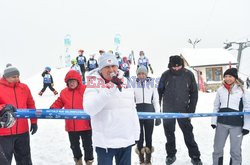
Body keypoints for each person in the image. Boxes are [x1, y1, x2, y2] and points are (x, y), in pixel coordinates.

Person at [83, 53, 140, 165]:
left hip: (125, 140)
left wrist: (136, 133)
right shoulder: (93, 83)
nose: (111, 70)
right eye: (107, 67)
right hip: (105, 143)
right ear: (100, 69)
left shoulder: (126, 82)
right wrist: (110, 88)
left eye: (113, 66)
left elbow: (132, 109)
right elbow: (89, 109)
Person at [158, 55, 202, 165]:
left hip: (184, 110)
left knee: (188, 133)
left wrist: (191, 109)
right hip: (168, 110)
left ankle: (195, 156)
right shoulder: (165, 75)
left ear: (182, 65)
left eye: (179, 66)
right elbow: (159, 92)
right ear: (170, 66)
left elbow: (194, 93)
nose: (177, 68)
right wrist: (158, 108)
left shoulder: (189, 75)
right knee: (169, 134)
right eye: (174, 67)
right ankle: (171, 155)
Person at [50, 70, 94, 165]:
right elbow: (59, 102)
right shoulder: (64, 92)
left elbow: (93, 100)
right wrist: (53, 108)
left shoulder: (85, 90)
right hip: (71, 126)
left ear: (78, 80)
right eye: (69, 81)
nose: (72, 83)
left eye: (73, 81)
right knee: (74, 146)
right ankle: (78, 161)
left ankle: (89, 161)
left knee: (87, 145)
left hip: (85, 124)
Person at [0, 65, 38, 165]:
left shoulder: (24, 88)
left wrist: (34, 122)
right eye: (14, 76)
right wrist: (4, 107)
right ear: (6, 76)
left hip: (22, 131)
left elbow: (30, 104)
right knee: (4, 161)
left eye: (18, 76)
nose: (17, 78)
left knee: (25, 159)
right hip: (4, 132)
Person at [211, 68, 250, 165]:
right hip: (221, 124)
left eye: (230, 76)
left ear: (235, 77)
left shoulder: (242, 91)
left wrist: (246, 126)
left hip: (236, 126)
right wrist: (213, 121)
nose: (228, 78)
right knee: (217, 149)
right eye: (226, 76)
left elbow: (247, 109)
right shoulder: (220, 90)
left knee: (235, 151)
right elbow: (216, 106)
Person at [134, 65, 161, 165]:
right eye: (139, 74)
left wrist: (158, 115)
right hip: (138, 112)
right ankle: (141, 160)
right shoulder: (133, 84)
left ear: (146, 74)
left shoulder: (152, 84)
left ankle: (148, 160)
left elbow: (156, 100)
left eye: (143, 73)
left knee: (149, 136)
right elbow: (131, 101)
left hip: (149, 112)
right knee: (139, 137)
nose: (141, 75)